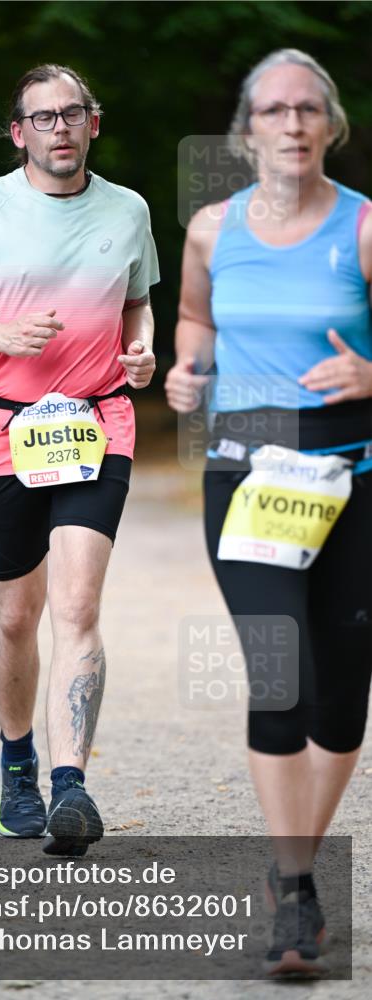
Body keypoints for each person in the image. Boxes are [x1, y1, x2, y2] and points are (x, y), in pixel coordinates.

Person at [0, 64, 159, 856]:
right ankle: (17, 761)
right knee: (17, 615)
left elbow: (136, 302)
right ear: (19, 132)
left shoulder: (128, 209)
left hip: (95, 423)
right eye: (42, 117)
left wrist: (142, 349)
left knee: (77, 607)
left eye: (72, 113)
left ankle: (69, 785)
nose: (59, 128)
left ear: (93, 122)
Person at [165, 49, 371, 976]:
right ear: (245, 130)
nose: (291, 124)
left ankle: (295, 865)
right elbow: (195, 319)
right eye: (273, 110)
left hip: (353, 475)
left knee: (342, 699)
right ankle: (295, 892)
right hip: (248, 477)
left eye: (307, 109)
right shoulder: (211, 229)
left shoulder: (363, 228)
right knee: (278, 674)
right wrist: (187, 369)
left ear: (330, 125)